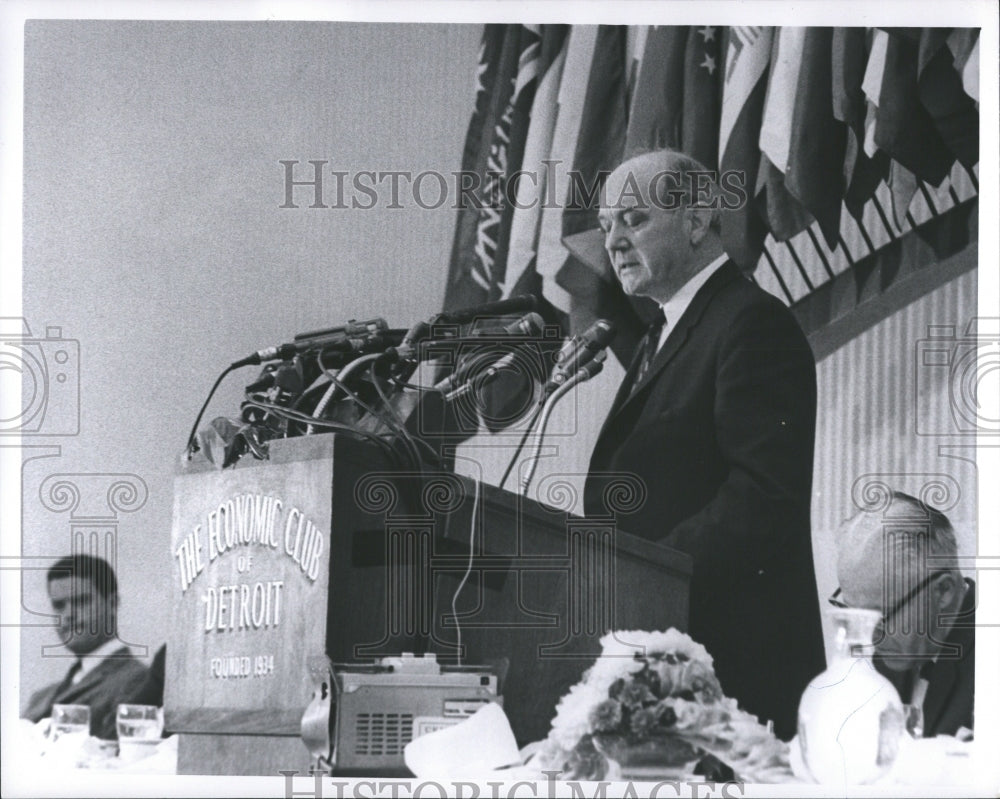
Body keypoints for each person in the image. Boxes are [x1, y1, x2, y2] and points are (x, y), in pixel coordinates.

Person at [584, 149, 825, 740]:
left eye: (633, 220)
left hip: (734, 678)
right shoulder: (659, 335)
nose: (612, 241)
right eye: (606, 225)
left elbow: (763, 497)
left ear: (695, 220)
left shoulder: (750, 323)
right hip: (664, 663)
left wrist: (648, 582)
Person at [834, 491, 974, 738]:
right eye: (856, 615)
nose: (868, 637)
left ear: (943, 591)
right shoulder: (890, 654)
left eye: (879, 617)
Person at [22, 554, 151, 740]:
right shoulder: (40, 697)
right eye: (59, 605)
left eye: (81, 602)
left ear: (113, 604)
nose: (68, 615)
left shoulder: (137, 682)